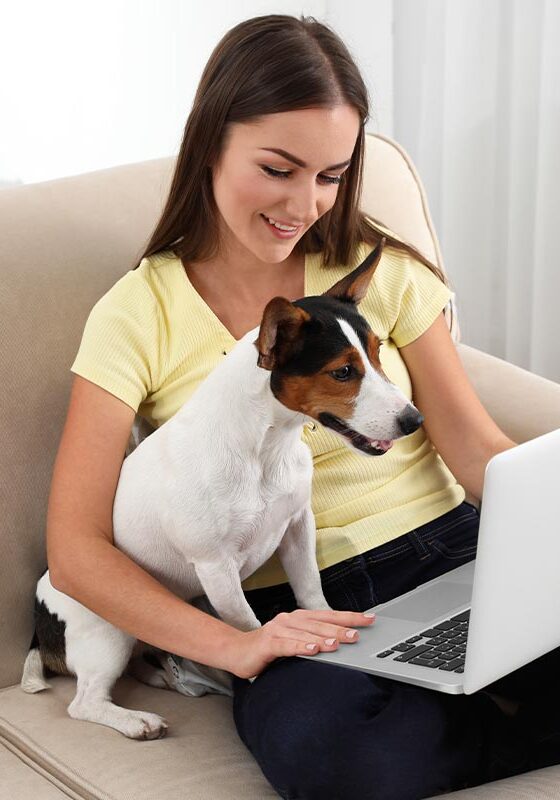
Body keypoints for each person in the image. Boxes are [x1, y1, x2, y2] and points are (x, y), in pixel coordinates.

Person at [48, 13, 560, 800]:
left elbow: (470, 443)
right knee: (325, 757)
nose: (306, 204)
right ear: (211, 139)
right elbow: (77, 547)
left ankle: (468, 702)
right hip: (288, 605)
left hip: (446, 554)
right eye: (280, 168)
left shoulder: (372, 268)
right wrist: (230, 646)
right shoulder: (136, 312)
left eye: (330, 175)